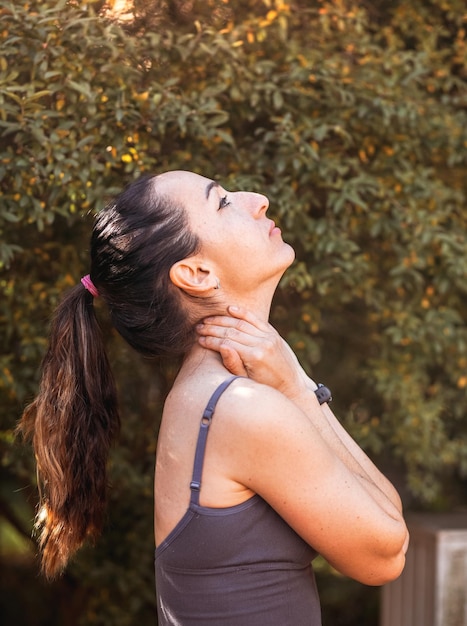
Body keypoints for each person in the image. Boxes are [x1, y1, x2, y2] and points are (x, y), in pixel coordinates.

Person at [19, 170, 409, 625]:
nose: (258, 199)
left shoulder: (209, 398)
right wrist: (297, 390)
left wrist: (293, 385)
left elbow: (387, 518)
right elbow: (386, 557)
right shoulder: (239, 409)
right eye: (223, 202)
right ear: (197, 273)